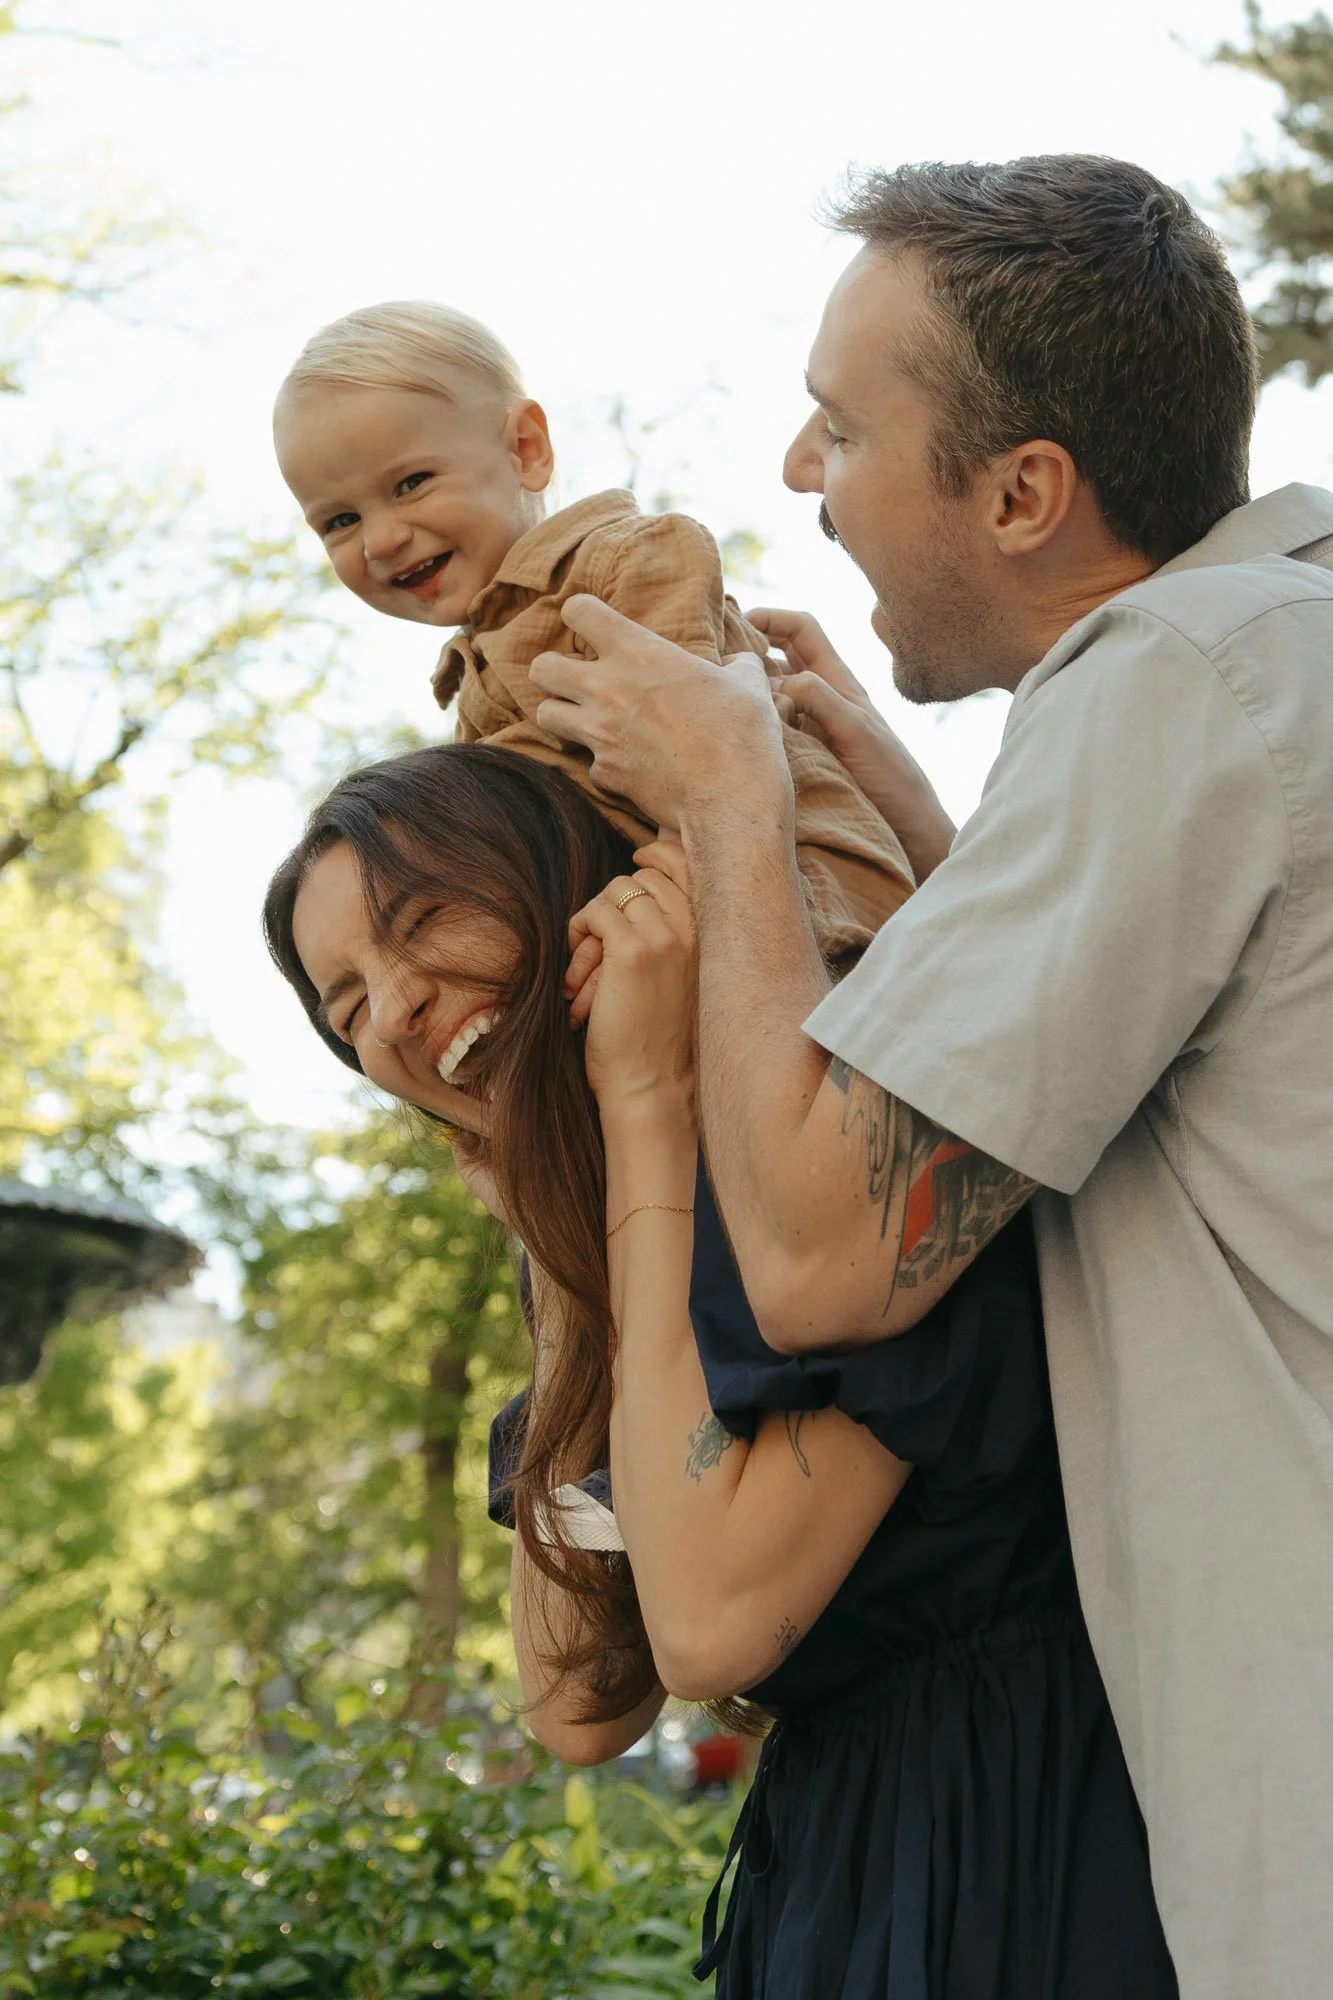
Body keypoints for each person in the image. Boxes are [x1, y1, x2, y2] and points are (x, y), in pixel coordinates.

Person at [523, 156, 1333, 2000]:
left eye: (837, 428)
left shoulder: (1180, 684)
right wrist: (923, 823)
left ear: (1022, 490)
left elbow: (822, 1253)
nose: (801, 478)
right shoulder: (1279, 647)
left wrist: (732, 800)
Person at [262, 741, 1177, 1999]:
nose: (399, 1006)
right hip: (836, 1864)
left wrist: (642, 1095)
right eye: (347, 1005)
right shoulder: (620, 1247)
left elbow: (706, 1629)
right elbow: (576, 1704)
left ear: (566, 886)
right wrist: (556, 1249)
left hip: (1029, 1840)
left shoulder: (825, 1164)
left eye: (421, 921)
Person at [270, 299, 913, 969]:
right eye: (339, 521)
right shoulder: (475, 680)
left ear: (525, 450)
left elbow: (690, 743)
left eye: (411, 482)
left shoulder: (627, 562)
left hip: (817, 900)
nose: (381, 538)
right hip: (690, 932)